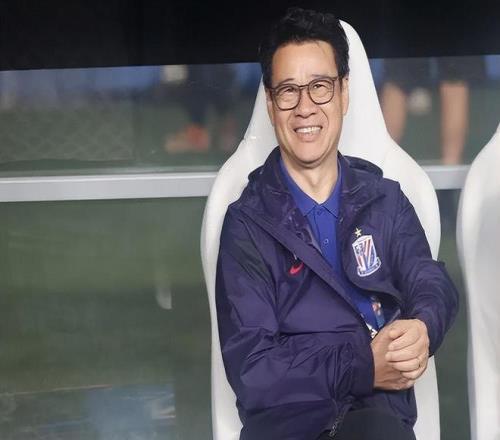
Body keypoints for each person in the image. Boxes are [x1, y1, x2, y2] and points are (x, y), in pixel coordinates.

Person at [215, 8, 458, 440]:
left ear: (344, 93)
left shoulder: (384, 200)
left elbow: (430, 280)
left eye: (320, 87)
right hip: (287, 428)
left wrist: (423, 325)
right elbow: (254, 372)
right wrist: (364, 364)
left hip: (377, 423)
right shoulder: (247, 224)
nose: (305, 107)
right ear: (271, 104)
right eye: (288, 91)